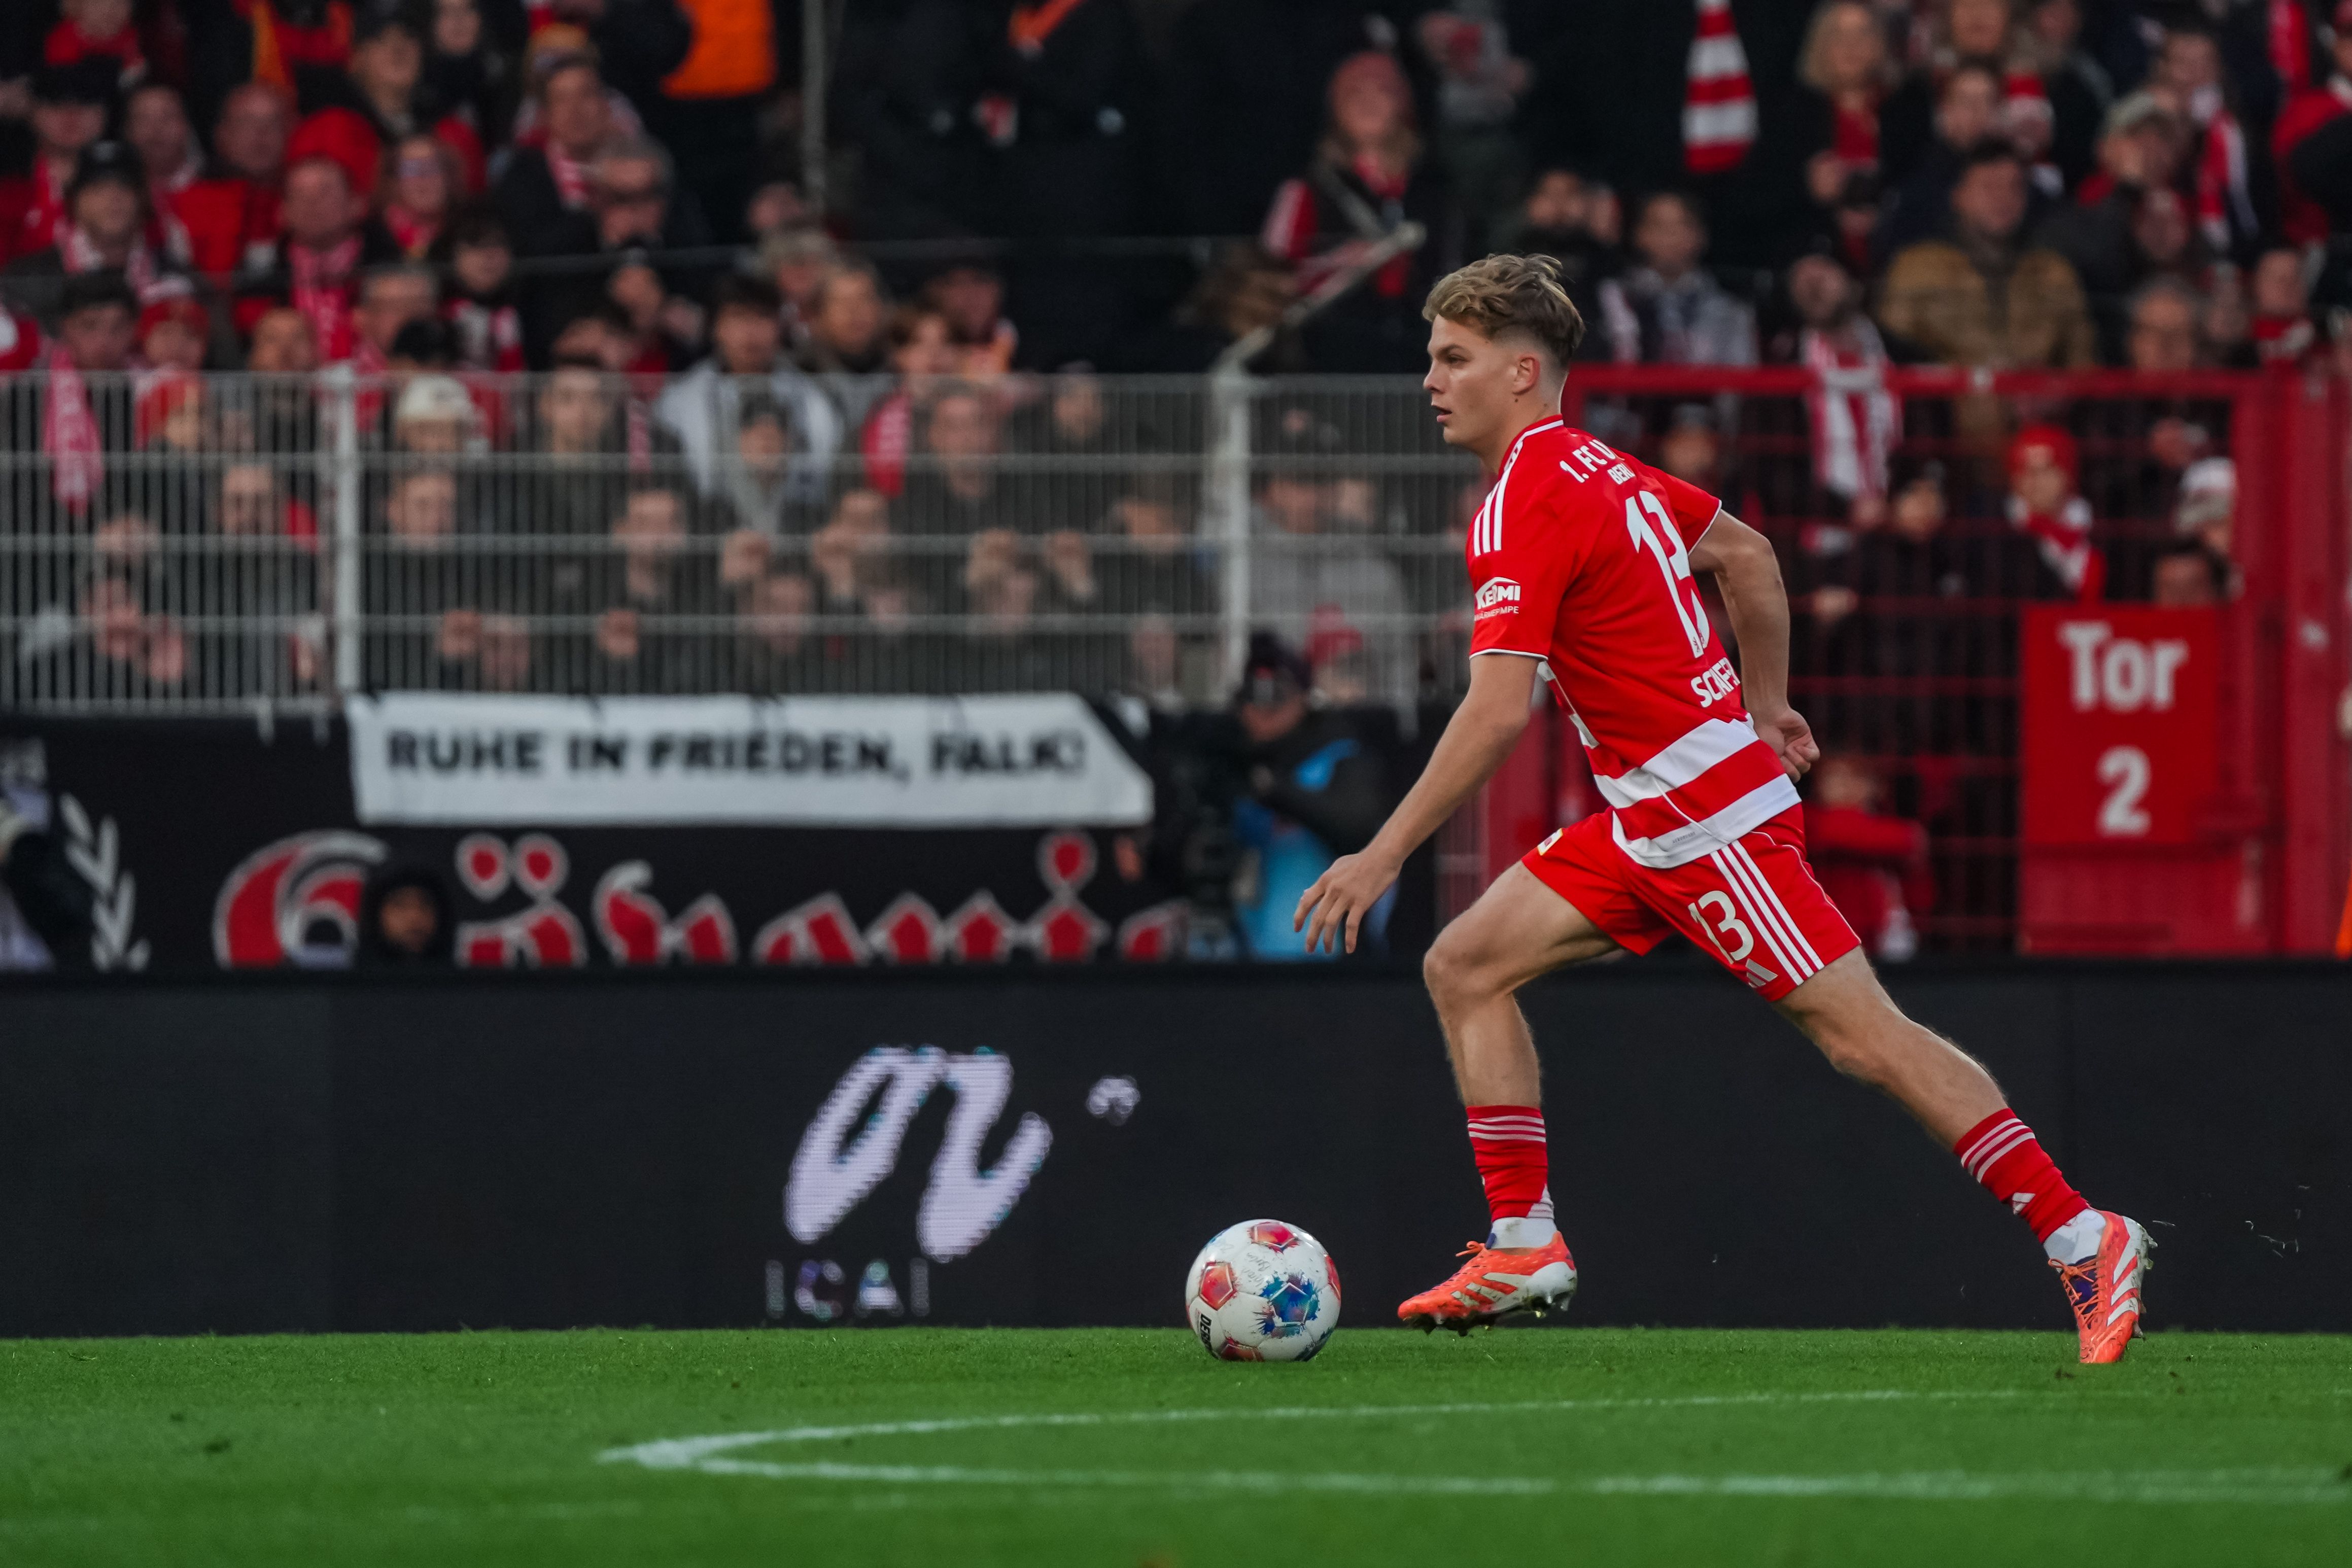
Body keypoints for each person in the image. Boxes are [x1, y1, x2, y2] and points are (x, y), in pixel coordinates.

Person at [1289, 253, 2150, 1363]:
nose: (1431, 381)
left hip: (1707, 824)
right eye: (1431, 359)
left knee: (1864, 1041)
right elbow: (1747, 555)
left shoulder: (1523, 501)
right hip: (1650, 817)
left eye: (1452, 359)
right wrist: (1767, 703)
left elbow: (1499, 711)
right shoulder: (1605, 468)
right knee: (1464, 965)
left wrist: (1383, 853)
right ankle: (1523, 1244)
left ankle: (2081, 1233)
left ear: (1520, 372)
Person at [356, 863, 455, 966]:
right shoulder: (351, 975)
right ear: (375, 915)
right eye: (400, 904)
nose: (415, 916)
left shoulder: (460, 975)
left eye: (426, 904)